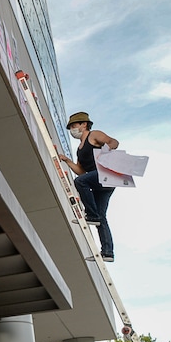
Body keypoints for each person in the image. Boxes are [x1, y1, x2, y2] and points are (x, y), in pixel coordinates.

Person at [58, 111, 120, 262]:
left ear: (84, 124)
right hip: (97, 180)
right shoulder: (79, 149)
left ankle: (91, 215)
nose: (72, 129)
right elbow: (81, 171)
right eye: (71, 127)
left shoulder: (94, 135)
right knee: (101, 217)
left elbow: (113, 142)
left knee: (80, 182)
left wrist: (107, 151)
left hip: (104, 175)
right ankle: (108, 252)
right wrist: (67, 161)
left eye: (74, 126)